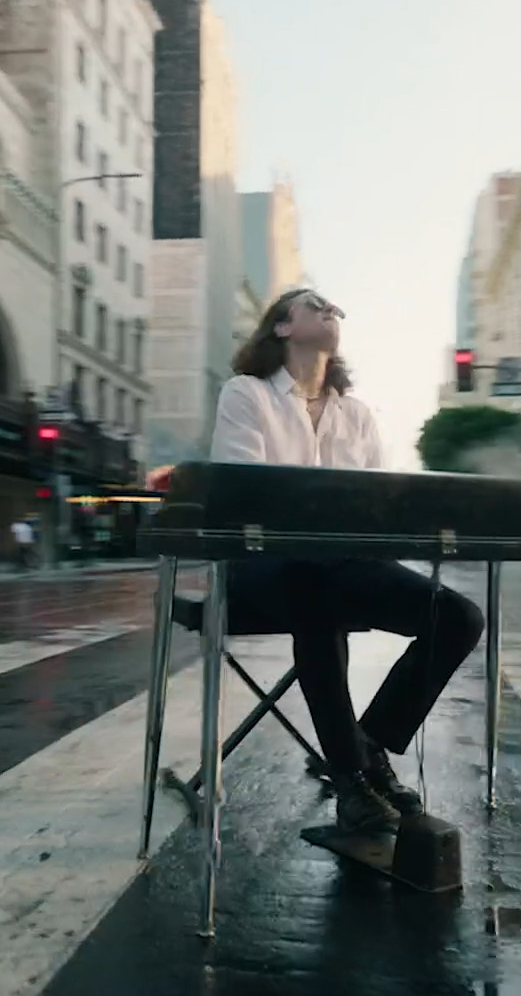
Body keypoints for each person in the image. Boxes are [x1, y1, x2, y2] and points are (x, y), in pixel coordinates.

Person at [155, 287, 485, 834]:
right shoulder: (247, 393)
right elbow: (246, 494)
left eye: (336, 307)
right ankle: (352, 779)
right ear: (282, 327)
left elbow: (378, 506)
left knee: (459, 617)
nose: (333, 310)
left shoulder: (356, 414)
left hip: (342, 567)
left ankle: (367, 746)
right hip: (259, 568)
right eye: (316, 304)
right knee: (312, 584)